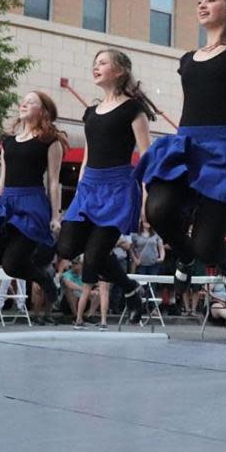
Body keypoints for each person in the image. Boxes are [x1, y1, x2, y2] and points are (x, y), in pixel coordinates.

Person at [137, 0, 226, 300]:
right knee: (156, 211)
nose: (202, 5)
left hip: (222, 149)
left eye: (211, 0)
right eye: (200, 0)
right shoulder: (187, 60)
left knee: (207, 246)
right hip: (186, 146)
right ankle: (184, 258)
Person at [57, 49, 156, 323]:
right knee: (66, 247)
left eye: (102, 63)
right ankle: (131, 288)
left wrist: (148, 198)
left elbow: (148, 156)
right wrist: (79, 190)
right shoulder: (90, 112)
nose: (95, 67)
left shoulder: (133, 109)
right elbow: (87, 156)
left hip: (118, 188)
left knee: (94, 256)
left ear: (120, 71)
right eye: (94, 63)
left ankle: (128, 291)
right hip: (89, 186)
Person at [0, 91, 64, 313]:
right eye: (23, 101)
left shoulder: (50, 141)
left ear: (42, 111)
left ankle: (44, 280)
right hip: (8, 201)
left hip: (32, 203)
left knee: (12, 264)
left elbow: (53, 182)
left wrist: (55, 215)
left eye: (31, 102)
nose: (24, 104)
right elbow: (2, 180)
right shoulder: (8, 142)